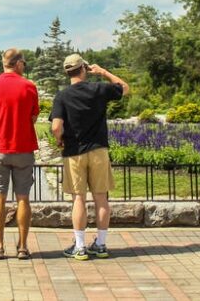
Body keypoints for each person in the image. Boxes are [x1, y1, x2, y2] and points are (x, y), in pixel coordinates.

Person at [50, 54, 129, 261]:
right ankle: (101, 244)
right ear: (84, 69)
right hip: (98, 149)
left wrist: (59, 140)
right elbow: (124, 88)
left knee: (78, 198)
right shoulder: (99, 89)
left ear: (67, 72)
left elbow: (56, 126)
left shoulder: (62, 96)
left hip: (74, 152)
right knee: (101, 197)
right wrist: (102, 72)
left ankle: (79, 246)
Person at [0, 48, 40, 260]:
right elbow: (33, 117)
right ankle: (22, 247)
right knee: (23, 198)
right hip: (23, 147)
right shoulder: (29, 86)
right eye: (24, 63)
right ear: (18, 63)